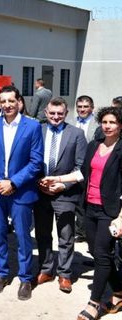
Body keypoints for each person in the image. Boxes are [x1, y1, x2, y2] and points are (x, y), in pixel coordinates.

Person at [42, 107, 122, 319]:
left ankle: (94, 304)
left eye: (112, 122)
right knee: (96, 253)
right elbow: (81, 173)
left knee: (103, 255)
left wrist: (121, 218)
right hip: (89, 207)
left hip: (110, 211)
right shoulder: (94, 145)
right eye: (104, 122)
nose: (107, 126)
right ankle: (120, 290)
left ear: (120, 125)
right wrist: (57, 179)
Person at [0, 86, 43, 301]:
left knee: (23, 236)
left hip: (21, 191)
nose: (7, 105)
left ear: (19, 102)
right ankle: (2, 274)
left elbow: (36, 163)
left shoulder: (33, 127)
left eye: (11, 101)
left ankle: (25, 278)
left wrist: (13, 183)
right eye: (3, 101)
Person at [33, 97, 86, 294]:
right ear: (46, 113)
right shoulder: (38, 130)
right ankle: (46, 269)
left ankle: (65, 274)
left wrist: (62, 185)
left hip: (65, 193)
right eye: (52, 113)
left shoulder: (77, 134)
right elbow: (31, 159)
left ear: (66, 114)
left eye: (60, 114)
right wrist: (39, 182)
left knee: (65, 236)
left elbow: (81, 166)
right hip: (40, 192)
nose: (56, 117)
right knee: (43, 233)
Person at [72, 95, 97, 243]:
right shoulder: (71, 122)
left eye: (85, 107)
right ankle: (81, 231)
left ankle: (88, 232)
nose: (82, 109)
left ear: (92, 108)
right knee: (78, 201)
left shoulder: (99, 125)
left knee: (88, 201)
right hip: (74, 168)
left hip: (91, 168)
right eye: (80, 107)